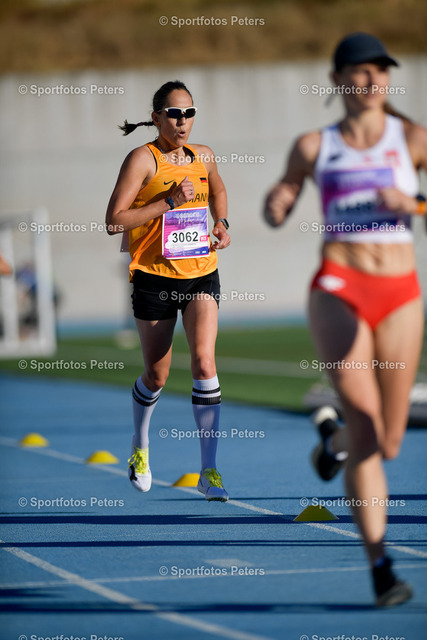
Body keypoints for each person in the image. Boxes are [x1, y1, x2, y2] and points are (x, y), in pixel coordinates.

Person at [263, 32, 426, 606]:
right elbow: (283, 192)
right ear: (337, 80)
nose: (372, 79)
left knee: (388, 441)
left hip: (400, 293)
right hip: (339, 286)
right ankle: (381, 567)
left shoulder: (413, 139)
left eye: (381, 70)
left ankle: (331, 441)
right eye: (360, 70)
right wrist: (278, 203)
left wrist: (416, 204)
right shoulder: (315, 145)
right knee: (366, 425)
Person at [106, 80, 231, 501]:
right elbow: (114, 220)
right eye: (174, 113)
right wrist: (169, 203)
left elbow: (218, 188)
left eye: (189, 113)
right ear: (157, 117)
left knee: (204, 362)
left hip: (200, 272)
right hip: (154, 277)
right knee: (157, 374)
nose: (182, 121)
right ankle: (140, 447)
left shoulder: (204, 155)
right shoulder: (142, 159)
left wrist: (221, 222)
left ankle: (209, 470)